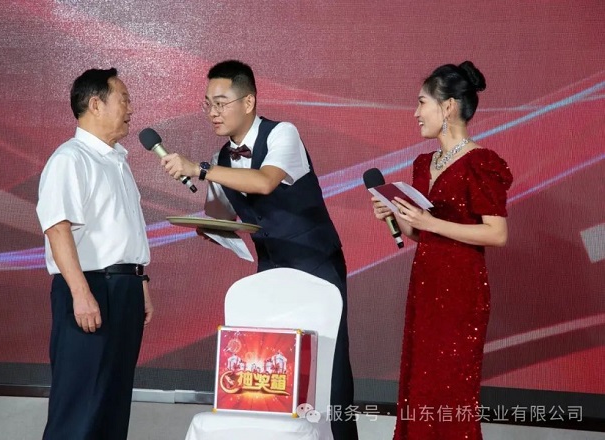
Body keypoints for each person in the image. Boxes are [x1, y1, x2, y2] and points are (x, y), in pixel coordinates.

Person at [161, 60, 358, 439]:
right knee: (270, 367)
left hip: (315, 263)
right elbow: (222, 216)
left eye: (221, 103)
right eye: (207, 104)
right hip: (269, 270)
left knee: (327, 371)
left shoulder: (283, 133)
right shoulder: (221, 158)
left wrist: (199, 169)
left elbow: (266, 181)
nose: (213, 112)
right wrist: (211, 228)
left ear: (248, 101)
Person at [371, 61, 513, 439]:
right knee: (420, 380)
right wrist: (397, 214)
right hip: (426, 285)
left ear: (447, 107)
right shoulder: (424, 164)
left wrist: (431, 223)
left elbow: (496, 233)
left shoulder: (481, 163)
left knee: (450, 386)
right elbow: (421, 234)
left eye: (422, 103)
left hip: (462, 290)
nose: (416, 113)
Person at [36, 68, 153, 440]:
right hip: (90, 289)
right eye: (124, 100)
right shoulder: (71, 158)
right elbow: (58, 228)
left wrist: (140, 281)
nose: (131, 109)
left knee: (111, 404)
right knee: (79, 406)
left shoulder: (117, 160)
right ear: (96, 104)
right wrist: (80, 293)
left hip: (124, 288)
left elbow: (123, 231)